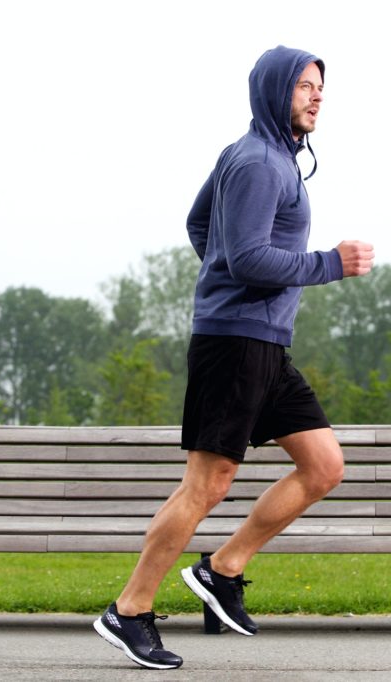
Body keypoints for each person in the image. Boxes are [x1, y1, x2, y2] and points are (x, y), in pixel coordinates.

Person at [94, 45, 375, 670]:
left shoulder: (262, 156)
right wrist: (328, 263)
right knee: (207, 484)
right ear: (276, 91)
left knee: (324, 466)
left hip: (266, 344)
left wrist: (227, 279)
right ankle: (131, 609)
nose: (317, 96)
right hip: (234, 346)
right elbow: (244, 255)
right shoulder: (257, 163)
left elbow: (200, 227)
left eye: (320, 86)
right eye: (305, 85)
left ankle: (224, 568)